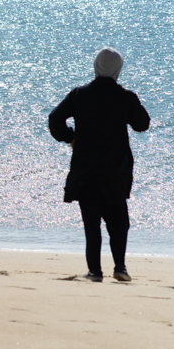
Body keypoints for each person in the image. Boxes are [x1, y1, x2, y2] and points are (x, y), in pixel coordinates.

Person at [48, 47, 150, 282]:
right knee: (119, 222)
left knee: (91, 222)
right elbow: (142, 124)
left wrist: (70, 137)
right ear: (118, 69)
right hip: (115, 169)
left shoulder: (79, 94)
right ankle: (120, 268)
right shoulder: (125, 97)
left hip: (86, 169)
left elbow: (55, 119)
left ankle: (94, 271)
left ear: (96, 67)